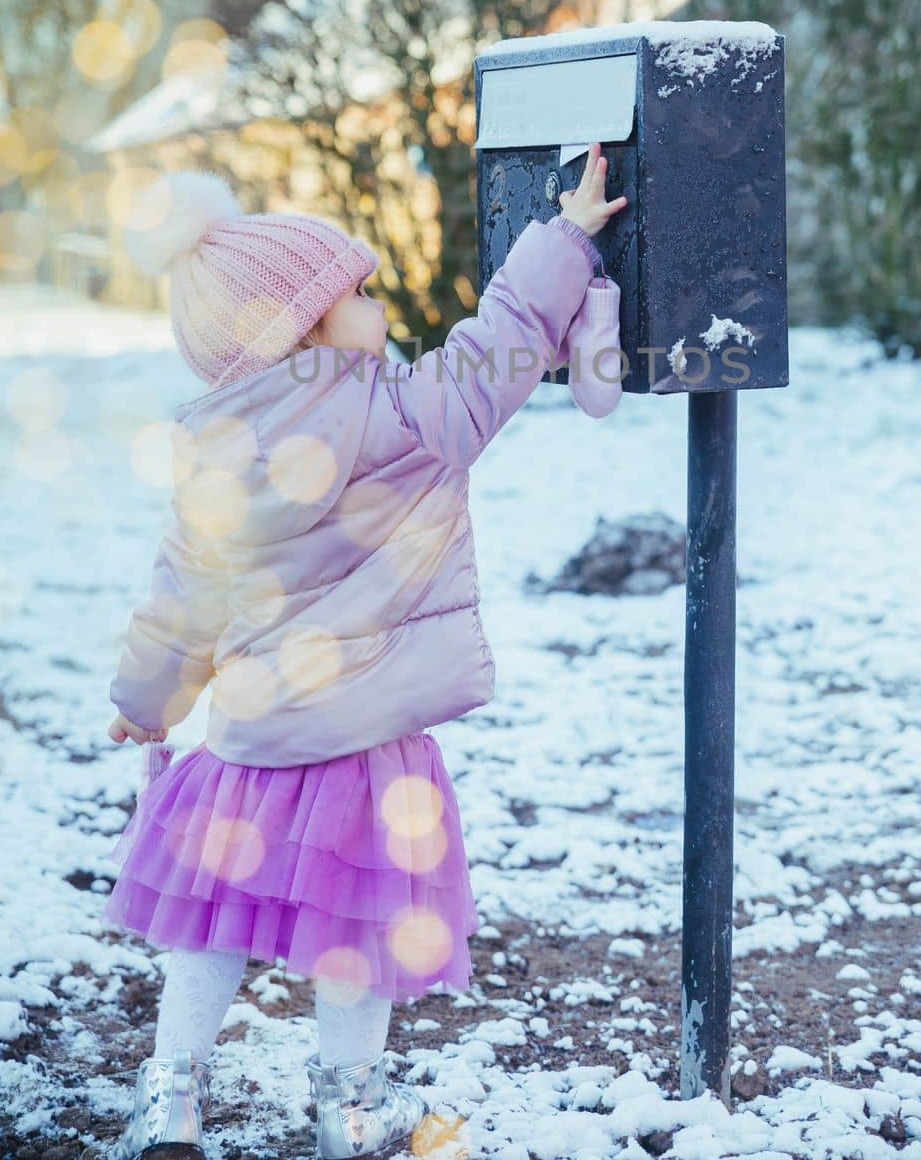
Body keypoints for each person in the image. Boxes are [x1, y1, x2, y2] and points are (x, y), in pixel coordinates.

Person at [100, 146, 627, 1159]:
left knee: (208, 928)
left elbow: (181, 594)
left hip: (249, 745)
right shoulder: (396, 414)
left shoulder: (213, 453)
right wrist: (563, 237)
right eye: (355, 289)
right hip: (370, 755)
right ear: (302, 322)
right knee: (358, 938)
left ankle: (170, 1099)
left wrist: (147, 699)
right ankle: (344, 1112)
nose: (375, 299)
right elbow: (502, 344)